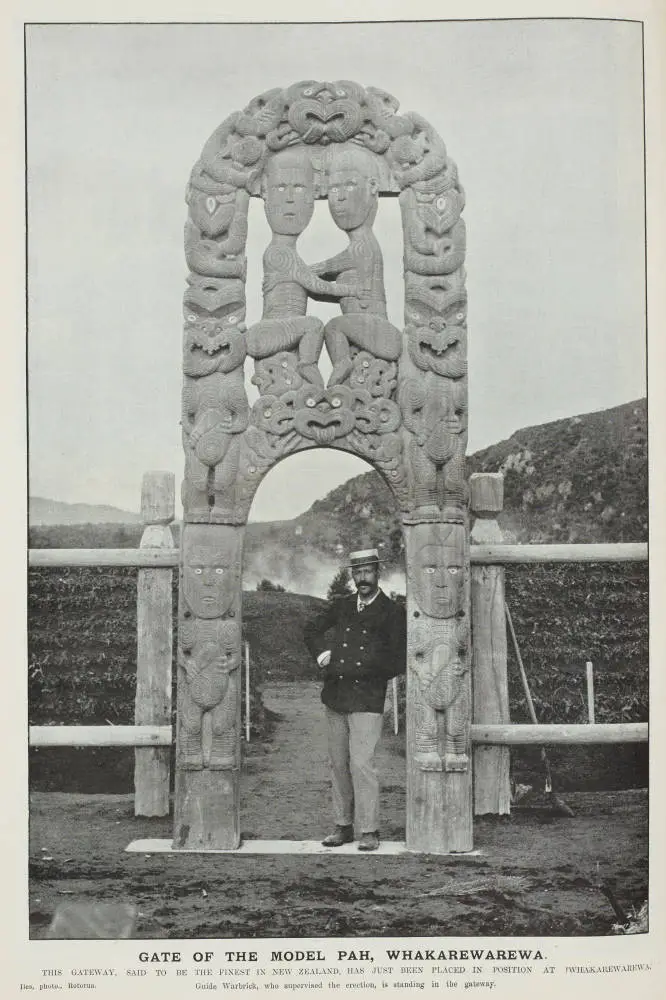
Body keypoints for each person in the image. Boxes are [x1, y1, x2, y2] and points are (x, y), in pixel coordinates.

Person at [303, 548, 406, 851]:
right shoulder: (343, 606)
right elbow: (311, 630)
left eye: (368, 572)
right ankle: (342, 826)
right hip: (336, 695)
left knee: (362, 763)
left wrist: (364, 667)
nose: (363, 578)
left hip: (367, 696)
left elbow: (397, 660)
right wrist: (323, 653)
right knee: (338, 763)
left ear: (378, 573)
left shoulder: (392, 612)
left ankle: (369, 830)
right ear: (352, 575)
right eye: (357, 573)